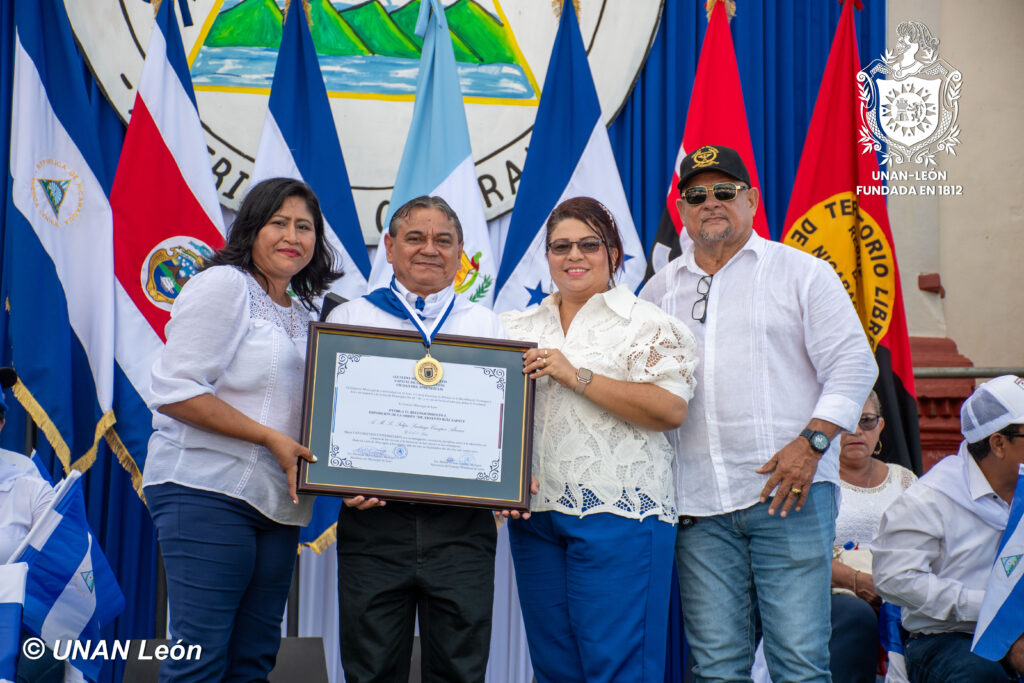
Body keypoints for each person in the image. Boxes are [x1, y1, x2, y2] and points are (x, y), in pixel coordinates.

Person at [639, 144, 877, 682]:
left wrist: (811, 444)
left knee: (799, 666)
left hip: (790, 496)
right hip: (698, 507)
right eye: (696, 194)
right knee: (717, 670)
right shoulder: (658, 291)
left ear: (751, 200)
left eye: (724, 191)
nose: (711, 202)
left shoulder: (803, 273)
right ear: (682, 210)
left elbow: (854, 367)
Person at [143, 178, 340, 680]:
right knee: (200, 657)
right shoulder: (224, 284)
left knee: (253, 659)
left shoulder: (303, 313)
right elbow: (177, 392)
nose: (292, 235)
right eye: (279, 222)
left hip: (280, 506)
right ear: (251, 227)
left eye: (304, 226)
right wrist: (269, 437)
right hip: (207, 491)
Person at [499, 196, 696, 682]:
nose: (574, 256)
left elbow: (670, 409)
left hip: (621, 513)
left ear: (613, 253)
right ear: (546, 256)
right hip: (536, 516)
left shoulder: (645, 322)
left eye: (589, 244)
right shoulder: (515, 327)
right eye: (560, 246)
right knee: (555, 669)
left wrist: (576, 375)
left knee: (618, 669)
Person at [326, 196, 510, 683]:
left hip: (462, 527)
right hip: (374, 523)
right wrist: (340, 477)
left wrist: (509, 468)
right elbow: (328, 424)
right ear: (388, 247)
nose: (430, 249)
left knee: (460, 669)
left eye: (443, 240)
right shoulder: (349, 321)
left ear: (461, 254)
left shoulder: (487, 326)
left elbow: (502, 421)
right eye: (415, 237)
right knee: (370, 668)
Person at [872, 375, 1024, 682]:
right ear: (998, 443)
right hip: (949, 638)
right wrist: (991, 609)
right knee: (980, 677)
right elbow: (894, 579)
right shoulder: (931, 499)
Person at [831, 391, 917, 683]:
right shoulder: (817, 479)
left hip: (902, 587)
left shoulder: (903, 479)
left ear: (880, 426)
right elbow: (800, 553)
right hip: (834, 591)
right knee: (856, 615)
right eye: (844, 423)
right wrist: (860, 582)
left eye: (866, 421)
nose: (856, 431)